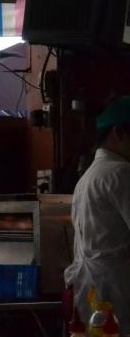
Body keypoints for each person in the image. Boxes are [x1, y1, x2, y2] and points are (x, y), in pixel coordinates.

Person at [66, 96, 130, 325]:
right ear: (118, 133)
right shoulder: (120, 173)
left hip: (91, 289)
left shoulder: (89, 177)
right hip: (116, 293)